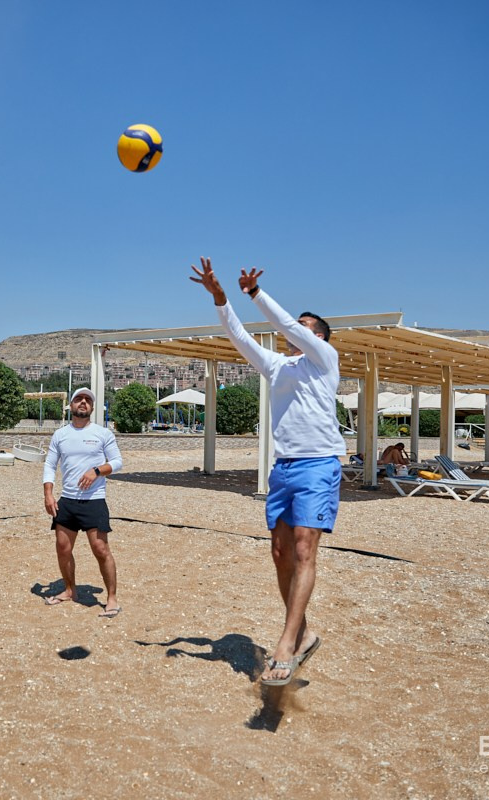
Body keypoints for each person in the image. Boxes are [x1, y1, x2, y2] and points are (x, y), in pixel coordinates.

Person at [191, 257, 343, 686]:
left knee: (302, 551)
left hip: (318, 464)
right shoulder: (278, 366)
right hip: (284, 468)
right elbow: (239, 337)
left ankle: (285, 644)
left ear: (319, 338)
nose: (296, 330)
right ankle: (305, 632)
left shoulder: (325, 359)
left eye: (305, 327)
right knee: (280, 555)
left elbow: (288, 328)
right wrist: (222, 299)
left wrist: (255, 293)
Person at [41, 387, 124, 618]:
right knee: (63, 548)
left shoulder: (102, 433)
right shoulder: (60, 435)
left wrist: (96, 471)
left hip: (94, 501)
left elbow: (117, 462)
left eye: (88, 400)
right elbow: (49, 465)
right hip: (67, 500)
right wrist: (48, 493)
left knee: (101, 549)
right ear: (71, 405)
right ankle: (69, 590)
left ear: (92, 407)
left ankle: (112, 598)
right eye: (79, 399)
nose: (83, 402)